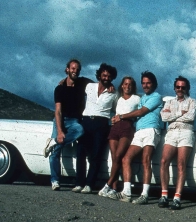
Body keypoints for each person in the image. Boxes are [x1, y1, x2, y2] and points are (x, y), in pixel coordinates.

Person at [108, 71, 163, 204]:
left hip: (151, 130)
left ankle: (144, 195)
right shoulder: (142, 97)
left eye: (148, 83)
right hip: (139, 131)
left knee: (146, 160)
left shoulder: (157, 96)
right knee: (126, 158)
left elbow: (141, 112)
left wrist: (120, 116)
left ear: (154, 84)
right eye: (143, 83)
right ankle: (126, 192)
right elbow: (130, 105)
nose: (145, 85)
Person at [44, 59, 91, 191]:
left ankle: (52, 142)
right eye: (73, 68)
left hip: (74, 121)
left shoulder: (82, 83)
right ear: (67, 69)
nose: (75, 71)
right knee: (55, 152)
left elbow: (98, 85)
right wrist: (60, 131)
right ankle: (55, 180)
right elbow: (58, 111)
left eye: (77, 69)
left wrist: (109, 86)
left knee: (80, 130)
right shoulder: (59, 88)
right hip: (61, 119)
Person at [72, 63, 118, 194]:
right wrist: (64, 80)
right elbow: (76, 81)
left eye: (109, 76)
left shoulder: (114, 93)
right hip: (86, 120)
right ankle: (79, 183)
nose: (106, 77)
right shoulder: (89, 86)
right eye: (104, 75)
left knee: (96, 155)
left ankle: (89, 184)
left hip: (102, 123)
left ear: (112, 78)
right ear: (99, 75)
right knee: (80, 152)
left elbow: (115, 110)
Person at [158, 76, 196, 210]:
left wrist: (173, 114)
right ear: (175, 88)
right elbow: (164, 117)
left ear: (187, 88)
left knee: (181, 164)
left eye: (183, 87)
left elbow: (191, 116)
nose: (180, 89)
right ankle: (164, 195)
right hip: (172, 132)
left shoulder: (192, 101)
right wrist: (181, 112)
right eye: (178, 87)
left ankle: (177, 197)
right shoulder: (168, 102)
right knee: (164, 161)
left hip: (186, 132)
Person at [98, 76, 140, 198]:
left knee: (118, 156)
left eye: (130, 84)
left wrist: (123, 117)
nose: (127, 86)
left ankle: (108, 184)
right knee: (114, 158)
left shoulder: (137, 98)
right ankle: (114, 189)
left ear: (133, 87)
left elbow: (139, 112)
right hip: (115, 127)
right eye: (125, 84)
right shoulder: (118, 97)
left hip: (127, 127)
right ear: (122, 85)